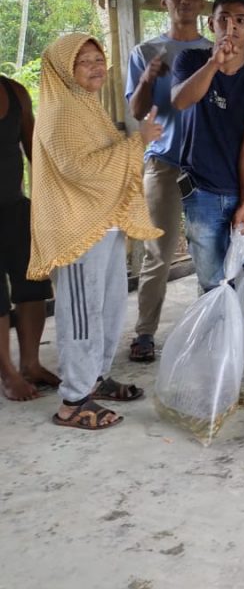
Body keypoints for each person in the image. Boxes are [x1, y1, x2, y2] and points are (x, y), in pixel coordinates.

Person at [29, 33, 161, 429]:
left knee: (109, 304)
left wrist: (132, 144)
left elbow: (101, 160)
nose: (96, 67)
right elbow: (80, 169)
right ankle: (73, 400)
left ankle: (95, 380)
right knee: (82, 314)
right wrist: (136, 142)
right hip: (76, 229)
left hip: (100, 223)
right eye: (84, 61)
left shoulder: (85, 105)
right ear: (63, 69)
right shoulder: (60, 112)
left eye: (98, 58)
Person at [124, 0, 210, 362]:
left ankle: (208, 332)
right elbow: (138, 111)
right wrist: (146, 79)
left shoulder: (213, 52)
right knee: (158, 252)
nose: (186, 1)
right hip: (162, 161)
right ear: (165, 2)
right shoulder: (146, 52)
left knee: (209, 250)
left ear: (202, 2)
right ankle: (144, 333)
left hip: (206, 165)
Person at [171, 0, 244, 291]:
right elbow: (180, 101)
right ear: (211, 24)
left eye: (240, 21)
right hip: (201, 192)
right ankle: (220, 339)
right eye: (223, 19)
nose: (231, 27)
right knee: (213, 285)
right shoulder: (192, 60)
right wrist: (214, 64)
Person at [0, 73, 57, 400]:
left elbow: (35, 152)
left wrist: (50, 201)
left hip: (14, 207)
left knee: (33, 284)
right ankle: (7, 373)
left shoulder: (14, 92)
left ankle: (31, 364)